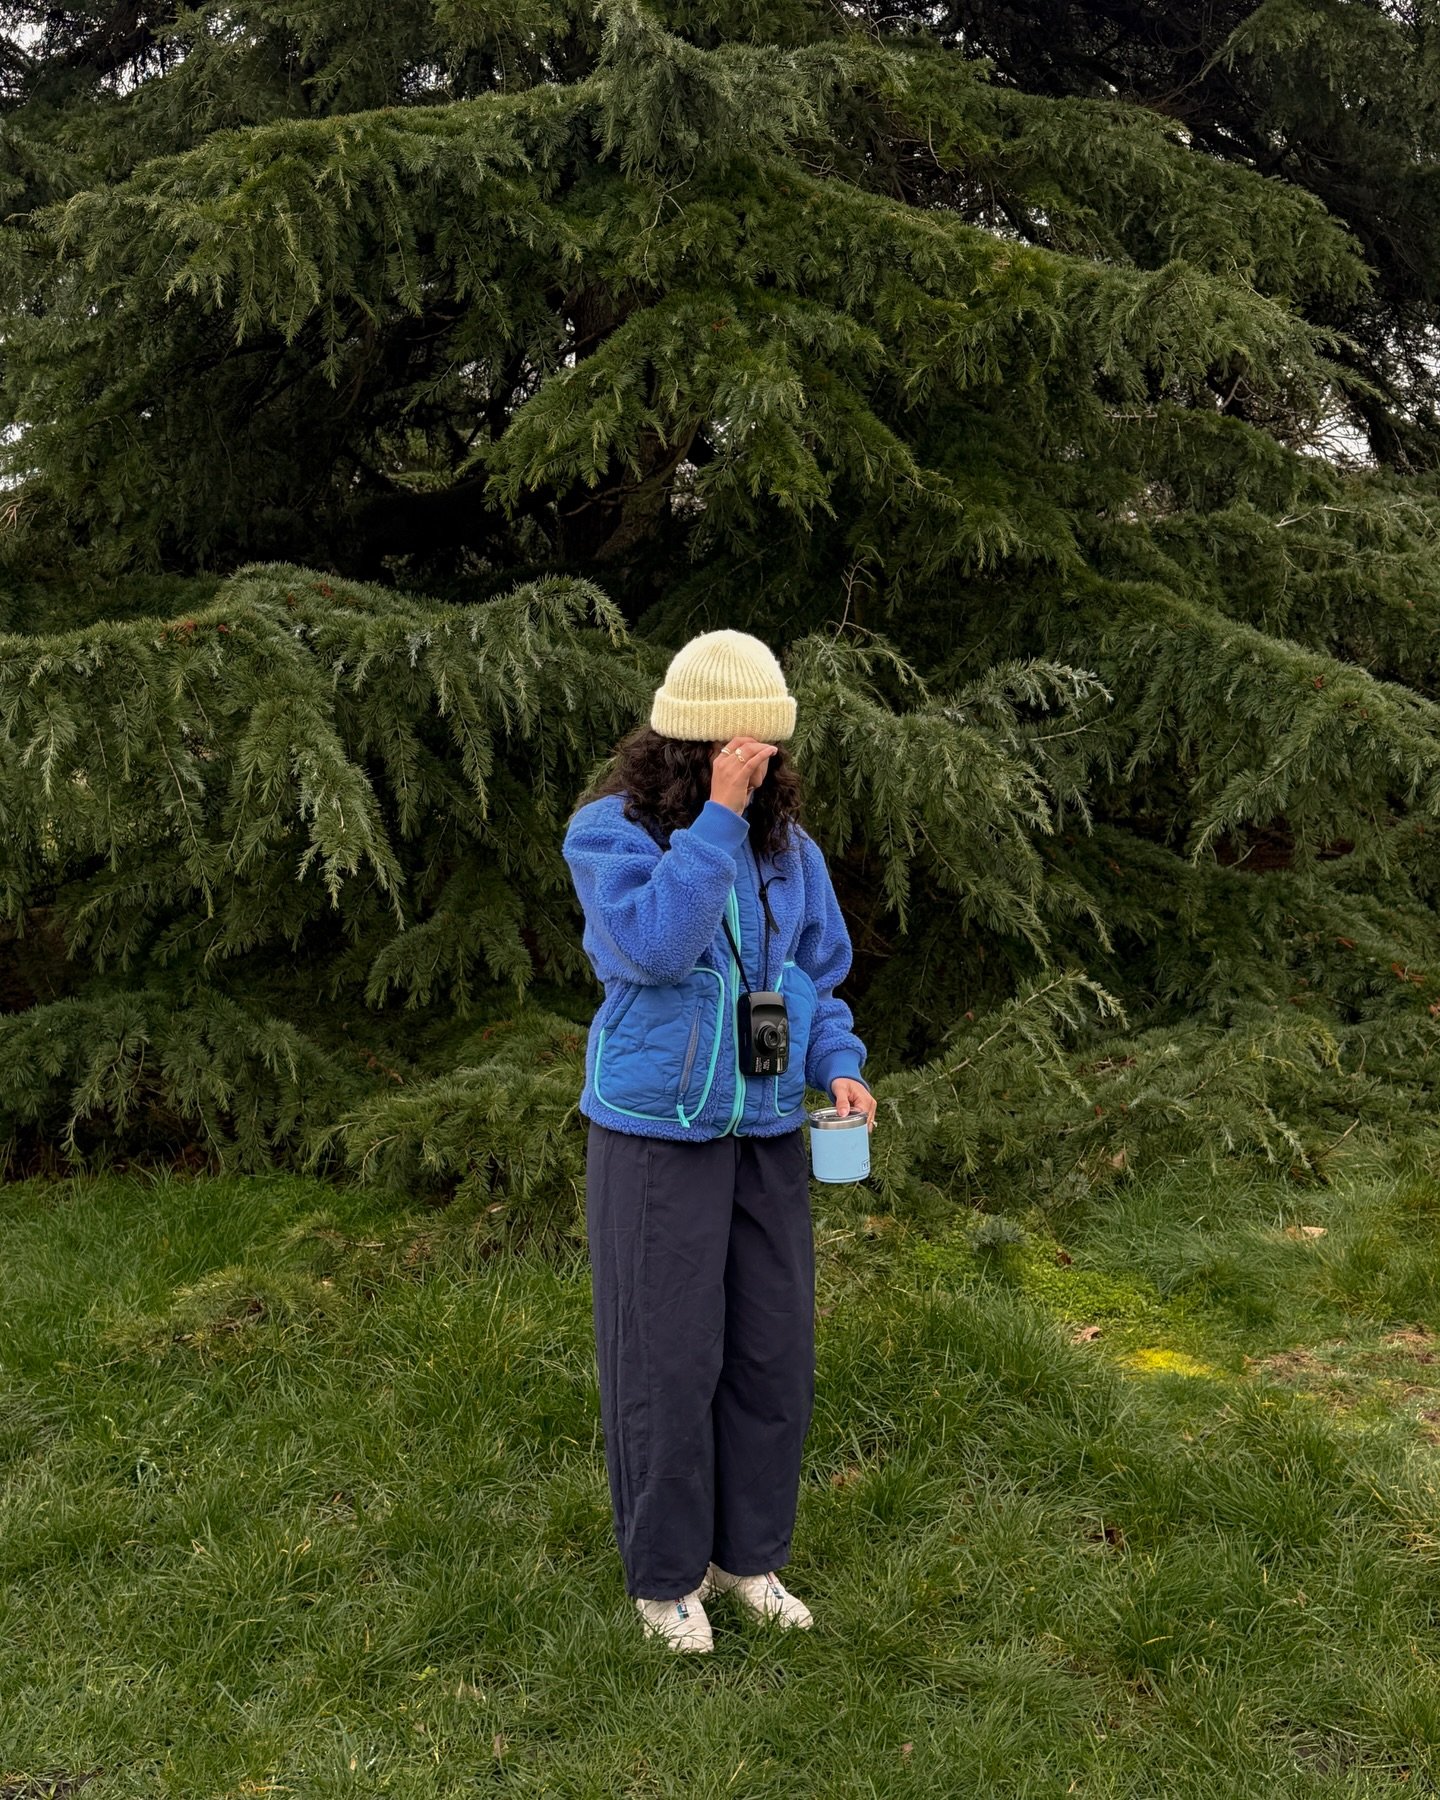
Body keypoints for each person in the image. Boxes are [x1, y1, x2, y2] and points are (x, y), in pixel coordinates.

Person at [561, 627, 877, 1654]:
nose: (759, 766)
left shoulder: (794, 855)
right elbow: (653, 949)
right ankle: (664, 1577)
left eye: (769, 752)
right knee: (667, 1358)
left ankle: (748, 1558)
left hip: (768, 1134)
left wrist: (838, 1063)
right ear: (686, 747)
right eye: (736, 750)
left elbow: (818, 977)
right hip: (657, 1136)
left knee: (771, 1355)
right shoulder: (609, 836)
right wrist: (717, 823)